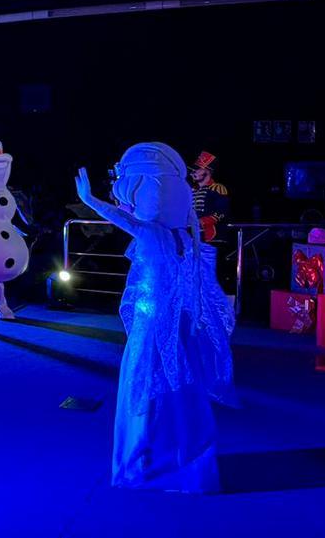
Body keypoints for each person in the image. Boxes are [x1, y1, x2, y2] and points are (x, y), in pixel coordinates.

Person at [75, 143, 236, 492]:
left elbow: (124, 219)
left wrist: (90, 200)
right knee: (183, 391)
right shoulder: (184, 237)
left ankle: (142, 461)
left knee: (143, 390)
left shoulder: (153, 234)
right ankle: (188, 459)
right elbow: (132, 217)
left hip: (151, 328)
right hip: (180, 325)